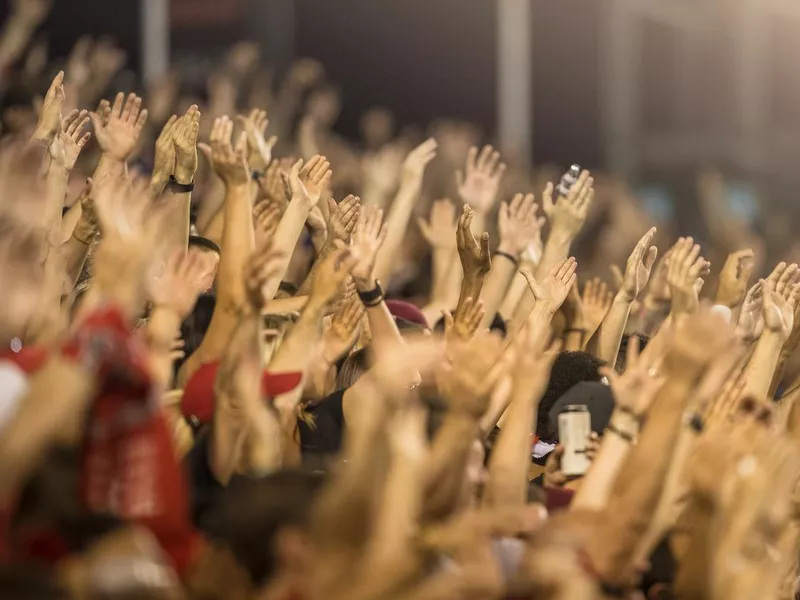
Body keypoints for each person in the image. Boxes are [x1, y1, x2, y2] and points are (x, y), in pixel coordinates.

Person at [1, 7, 800, 600]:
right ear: (292, 556)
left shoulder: (480, 489)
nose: (429, 359)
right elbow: (226, 382)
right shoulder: (256, 440)